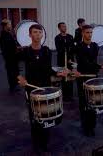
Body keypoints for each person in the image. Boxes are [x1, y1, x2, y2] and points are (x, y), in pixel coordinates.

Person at [17, 24, 67, 154]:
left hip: (45, 88)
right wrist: (20, 78)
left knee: (47, 116)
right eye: (35, 32)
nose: (38, 35)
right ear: (30, 35)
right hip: (31, 89)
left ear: (42, 35)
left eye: (39, 32)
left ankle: (44, 143)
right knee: (34, 117)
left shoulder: (46, 51)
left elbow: (48, 69)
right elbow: (12, 65)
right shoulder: (25, 51)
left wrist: (58, 73)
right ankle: (36, 143)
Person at [73, 25, 103, 136]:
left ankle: (92, 126)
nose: (89, 35)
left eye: (90, 32)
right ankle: (85, 126)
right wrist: (74, 69)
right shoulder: (79, 46)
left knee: (93, 102)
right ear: (82, 34)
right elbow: (83, 62)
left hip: (93, 77)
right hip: (83, 77)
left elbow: (94, 61)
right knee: (84, 103)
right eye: (87, 32)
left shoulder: (95, 46)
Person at [55, 22, 75, 101]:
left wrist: (70, 58)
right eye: (63, 26)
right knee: (63, 77)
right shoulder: (57, 38)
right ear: (59, 28)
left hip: (70, 60)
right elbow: (59, 49)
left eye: (65, 26)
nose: (64, 28)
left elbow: (72, 48)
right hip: (61, 60)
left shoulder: (70, 37)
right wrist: (66, 50)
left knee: (70, 76)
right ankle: (65, 95)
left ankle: (70, 95)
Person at [0, 19, 20, 92]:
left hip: (12, 57)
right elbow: (7, 48)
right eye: (9, 24)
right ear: (5, 26)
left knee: (14, 71)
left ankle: (14, 85)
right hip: (10, 58)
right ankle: (12, 87)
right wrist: (15, 49)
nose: (11, 26)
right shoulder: (4, 35)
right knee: (11, 72)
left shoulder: (7, 34)